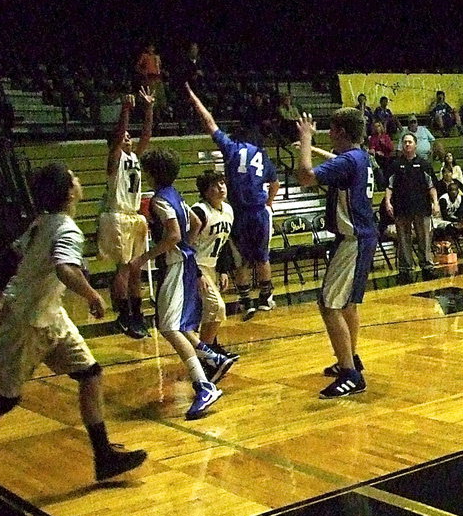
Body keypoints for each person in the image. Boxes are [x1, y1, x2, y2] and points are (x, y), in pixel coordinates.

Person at [0, 163, 147, 481]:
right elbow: (64, 268)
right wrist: (92, 295)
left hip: (51, 316)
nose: (78, 179)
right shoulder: (65, 229)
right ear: (69, 192)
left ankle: (103, 456)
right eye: (74, 177)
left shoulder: (41, 222)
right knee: (5, 397)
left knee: (90, 374)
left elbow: (12, 257)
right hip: (27, 322)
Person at [130, 148, 229, 418]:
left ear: (150, 173)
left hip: (175, 266)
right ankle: (211, 357)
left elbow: (173, 235)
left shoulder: (160, 200)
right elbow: (195, 222)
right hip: (183, 263)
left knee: (169, 327)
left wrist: (144, 258)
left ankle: (204, 385)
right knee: (179, 325)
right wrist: (189, 247)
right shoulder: (175, 194)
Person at [295, 108, 377, 398]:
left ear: (341, 131)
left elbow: (305, 177)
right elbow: (339, 162)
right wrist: (315, 149)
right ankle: (350, 358)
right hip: (363, 237)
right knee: (347, 305)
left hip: (353, 240)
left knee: (329, 304)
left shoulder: (349, 161)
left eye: (330, 129)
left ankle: (350, 374)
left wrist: (306, 140)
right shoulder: (361, 157)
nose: (328, 134)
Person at [185, 83, 280, 322]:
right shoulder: (262, 154)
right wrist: (269, 203)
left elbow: (209, 123)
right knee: (263, 256)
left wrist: (194, 98)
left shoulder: (231, 148)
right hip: (259, 210)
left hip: (238, 211)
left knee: (241, 259)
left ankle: (246, 300)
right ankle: (266, 297)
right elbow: (275, 182)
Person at [98, 87, 154, 339]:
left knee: (136, 269)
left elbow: (147, 136)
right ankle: (123, 314)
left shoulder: (134, 157)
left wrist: (149, 109)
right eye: (125, 136)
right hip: (117, 215)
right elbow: (120, 132)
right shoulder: (115, 158)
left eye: (130, 136)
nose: (129, 138)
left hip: (133, 216)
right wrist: (126, 110)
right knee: (123, 269)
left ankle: (137, 313)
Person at [190, 171, 240, 367]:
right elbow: (187, 246)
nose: (221, 188)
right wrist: (197, 273)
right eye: (214, 185)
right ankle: (206, 355)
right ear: (205, 191)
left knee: (211, 311)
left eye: (222, 183)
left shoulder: (228, 210)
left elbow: (223, 243)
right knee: (216, 307)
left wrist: (224, 270)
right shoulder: (199, 212)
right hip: (195, 265)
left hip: (212, 265)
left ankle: (213, 348)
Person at [385, 132, 439, 273]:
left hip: (422, 207)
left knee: (424, 237)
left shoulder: (424, 164)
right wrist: (388, 202)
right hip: (401, 207)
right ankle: (406, 266)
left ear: (415, 144)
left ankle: (426, 263)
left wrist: (435, 202)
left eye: (410, 142)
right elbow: (389, 186)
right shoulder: (395, 165)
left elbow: (431, 186)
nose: (407, 144)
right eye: (405, 142)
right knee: (403, 238)